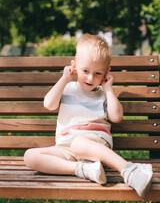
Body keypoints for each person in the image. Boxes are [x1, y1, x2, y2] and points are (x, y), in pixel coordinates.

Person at [24, 33, 153, 198]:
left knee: (79, 143)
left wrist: (108, 89)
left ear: (106, 73)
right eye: (85, 71)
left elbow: (116, 117)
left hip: (94, 144)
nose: (91, 78)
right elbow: (48, 104)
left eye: (98, 73)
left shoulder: (103, 93)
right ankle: (84, 170)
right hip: (66, 149)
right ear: (74, 65)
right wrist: (64, 78)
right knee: (30, 156)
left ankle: (129, 170)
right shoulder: (68, 88)